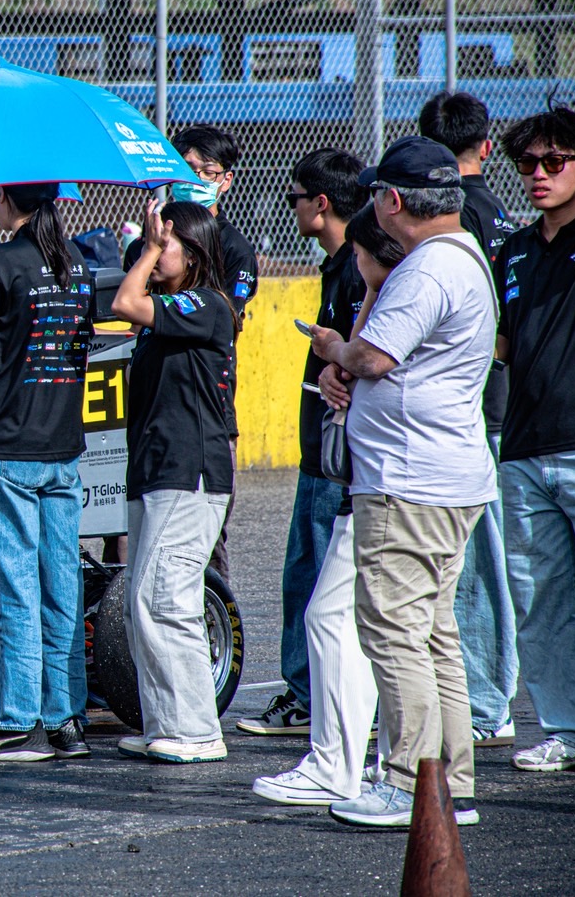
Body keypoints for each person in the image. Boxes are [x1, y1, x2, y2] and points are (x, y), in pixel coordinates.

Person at [308, 136, 496, 828]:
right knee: (433, 632)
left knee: (391, 629)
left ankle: (405, 781)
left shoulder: (424, 270)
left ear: (391, 201)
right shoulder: (462, 255)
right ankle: (450, 784)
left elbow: (374, 356)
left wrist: (333, 350)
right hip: (446, 475)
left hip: (408, 479)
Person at [252, 202, 402, 808]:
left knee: (358, 624)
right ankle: (369, 767)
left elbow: (368, 358)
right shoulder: (387, 292)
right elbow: (357, 363)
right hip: (374, 481)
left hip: (394, 484)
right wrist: (340, 365)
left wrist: (340, 351)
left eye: (363, 258)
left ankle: (357, 768)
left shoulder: (406, 294)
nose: (354, 267)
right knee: (362, 624)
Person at [0, 183, 94, 763]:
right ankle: (65, 721)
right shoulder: (77, 260)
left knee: (10, 587)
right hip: (63, 444)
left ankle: (17, 723)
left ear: (6, 196)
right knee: (62, 585)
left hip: (8, 446)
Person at [239, 148, 366, 737]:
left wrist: (333, 357)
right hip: (319, 452)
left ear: (321, 203)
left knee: (314, 581)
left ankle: (311, 698)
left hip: (335, 458)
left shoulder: (357, 269)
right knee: (301, 574)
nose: (289, 208)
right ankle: (309, 694)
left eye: (294, 197)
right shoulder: (337, 266)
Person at [110, 198, 240, 764]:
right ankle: (166, 721)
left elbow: (124, 300)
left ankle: (197, 730)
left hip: (190, 475)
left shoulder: (208, 304)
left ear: (195, 250)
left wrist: (150, 247)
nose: (157, 252)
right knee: (144, 600)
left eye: (168, 243)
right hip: (155, 471)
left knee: (167, 597)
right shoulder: (170, 310)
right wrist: (152, 246)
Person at [491, 106, 575, 772]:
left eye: (553, 162)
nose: (536, 174)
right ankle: (569, 727)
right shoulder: (514, 250)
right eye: (527, 162)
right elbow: (499, 342)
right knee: (540, 599)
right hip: (524, 446)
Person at [419, 89, 520, 748]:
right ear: (485, 145)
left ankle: (482, 702)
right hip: (493, 402)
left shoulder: (455, 216)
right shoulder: (499, 214)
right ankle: (475, 695)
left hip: (470, 410)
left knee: (476, 568)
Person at [124, 124, 258, 582]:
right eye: (186, 165)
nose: (194, 175)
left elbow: (228, 317)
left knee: (201, 550)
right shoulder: (152, 241)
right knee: (141, 561)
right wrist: (152, 245)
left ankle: (218, 632)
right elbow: (131, 298)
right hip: (155, 409)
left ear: (226, 180)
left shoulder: (233, 250)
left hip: (205, 408)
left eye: (206, 170)